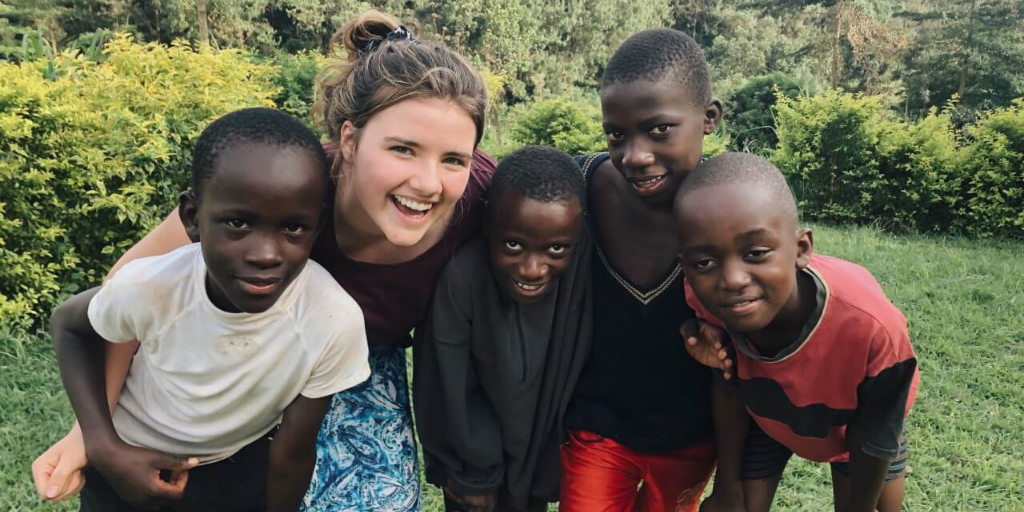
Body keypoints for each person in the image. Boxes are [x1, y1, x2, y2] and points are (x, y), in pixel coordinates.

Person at [33, 11, 493, 512]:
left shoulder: (482, 195)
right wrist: (90, 436)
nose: (428, 182)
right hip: (245, 346)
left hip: (358, 358)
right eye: (403, 149)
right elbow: (129, 289)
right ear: (350, 140)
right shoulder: (282, 192)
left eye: (453, 159)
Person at [49, 107, 371, 511]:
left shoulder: (331, 319)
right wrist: (103, 446)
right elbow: (69, 325)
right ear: (192, 217)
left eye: (292, 228)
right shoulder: (154, 286)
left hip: (233, 467)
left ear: (317, 226)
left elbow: (291, 454)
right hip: (127, 460)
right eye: (238, 223)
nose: (266, 254)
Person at [559, 29, 744, 512]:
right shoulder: (577, 190)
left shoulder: (735, 213)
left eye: (659, 129)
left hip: (690, 437)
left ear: (709, 118)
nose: (635, 156)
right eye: (617, 134)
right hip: (596, 425)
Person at [676, 153, 920, 512]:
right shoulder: (702, 294)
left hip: (859, 428)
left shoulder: (872, 327)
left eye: (756, 253)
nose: (731, 280)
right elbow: (727, 385)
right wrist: (727, 489)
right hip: (768, 416)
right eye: (704, 262)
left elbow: (876, 431)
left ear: (801, 248)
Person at [414, 146, 592, 512]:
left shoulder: (578, 277)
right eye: (513, 245)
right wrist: (473, 474)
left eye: (556, 249)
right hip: (475, 475)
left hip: (534, 466)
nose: (532, 269)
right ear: (486, 223)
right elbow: (449, 385)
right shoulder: (462, 279)